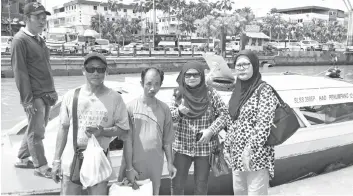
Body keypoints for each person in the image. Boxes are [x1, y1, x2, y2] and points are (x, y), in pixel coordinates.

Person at [51, 52, 130, 195]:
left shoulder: (115, 98)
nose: (96, 73)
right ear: (83, 70)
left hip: (99, 162)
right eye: (90, 69)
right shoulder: (71, 96)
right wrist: (56, 161)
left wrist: (103, 131)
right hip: (72, 161)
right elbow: (63, 128)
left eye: (100, 69)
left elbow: (124, 130)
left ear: (106, 72)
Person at [12, 2, 57, 178]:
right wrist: (27, 100)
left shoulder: (39, 39)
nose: (42, 21)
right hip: (35, 94)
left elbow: (45, 67)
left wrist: (52, 90)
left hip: (46, 92)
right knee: (37, 132)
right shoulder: (20, 40)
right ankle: (41, 166)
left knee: (37, 127)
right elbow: (20, 72)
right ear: (27, 18)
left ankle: (22, 158)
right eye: (37, 17)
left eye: (44, 18)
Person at [170, 61, 228, 195]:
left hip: (205, 148)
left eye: (195, 75)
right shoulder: (178, 94)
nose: (191, 78)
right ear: (183, 76)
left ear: (202, 76)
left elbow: (225, 114)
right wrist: (179, 112)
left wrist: (211, 130)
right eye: (188, 75)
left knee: (201, 185)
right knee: (177, 183)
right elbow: (169, 118)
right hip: (181, 148)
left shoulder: (210, 93)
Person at [225, 50, 279, 195]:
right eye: (238, 65)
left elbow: (264, 124)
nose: (241, 68)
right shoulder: (237, 90)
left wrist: (249, 150)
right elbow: (232, 122)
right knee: (239, 192)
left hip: (257, 155)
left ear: (254, 66)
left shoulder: (264, 89)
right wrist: (226, 147)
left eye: (245, 64)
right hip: (237, 155)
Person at [120, 67, 177, 195]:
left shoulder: (164, 109)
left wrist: (170, 164)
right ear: (142, 84)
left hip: (155, 164)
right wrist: (129, 168)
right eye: (149, 83)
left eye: (157, 84)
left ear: (161, 85)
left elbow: (167, 141)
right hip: (134, 164)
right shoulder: (130, 107)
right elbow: (127, 141)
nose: (153, 88)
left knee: (153, 192)